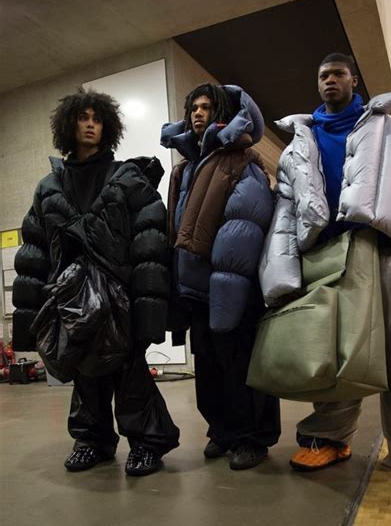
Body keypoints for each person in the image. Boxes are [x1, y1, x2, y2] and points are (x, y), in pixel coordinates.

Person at [259, 53, 391, 482]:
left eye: (337, 74)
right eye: (323, 75)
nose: (330, 81)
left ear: (353, 79)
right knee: (331, 351)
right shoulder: (298, 146)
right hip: (324, 257)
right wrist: (281, 272)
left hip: (378, 251)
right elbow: (286, 213)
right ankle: (328, 439)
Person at [12, 88, 180, 476]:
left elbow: (150, 244)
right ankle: (92, 440)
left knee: (129, 372)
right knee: (84, 371)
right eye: (82, 117)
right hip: (68, 297)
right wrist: (27, 324)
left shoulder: (127, 178)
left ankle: (147, 443)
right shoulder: (48, 186)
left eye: (96, 118)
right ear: (68, 125)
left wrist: (151, 310)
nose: (89, 124)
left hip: (118, 292)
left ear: (107, 127)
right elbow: (33, 254)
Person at [161, 83, 280, 470]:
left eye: (207, 107)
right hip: (197, 288)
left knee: (241, 364)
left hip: (233, 287)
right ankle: (223, 430)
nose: (198, 114)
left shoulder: (240, 160)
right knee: (209, 368)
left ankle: (253, 438)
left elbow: (244, 223)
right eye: (193, 108)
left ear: (222, 113)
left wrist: (226, 288)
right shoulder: (185, 168)